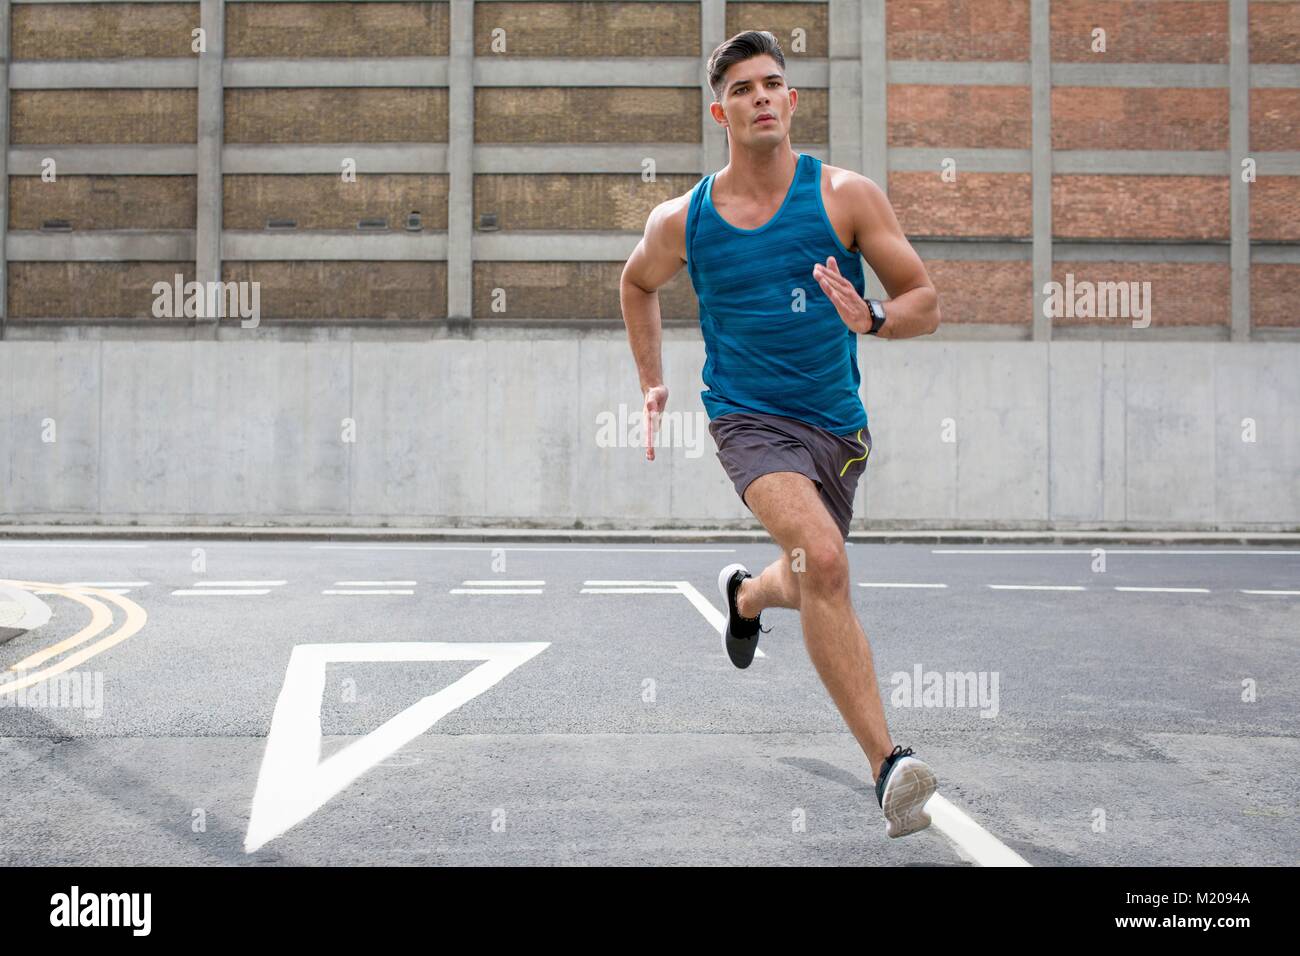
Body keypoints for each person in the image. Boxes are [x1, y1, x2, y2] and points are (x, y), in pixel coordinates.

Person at [619, 30, 944, 838]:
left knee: (808, 578)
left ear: (792, 102)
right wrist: (653, 382)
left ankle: (745, 594)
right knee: (826, 562)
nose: (760, 96)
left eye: (772, 84)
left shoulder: (846, 197)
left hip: (838, 429)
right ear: (719, 111)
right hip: (747, 422)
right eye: (742, 88)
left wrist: (870, 316)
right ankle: (890, 767)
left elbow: (924, 302)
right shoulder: (682, 220)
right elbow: (636, 283)